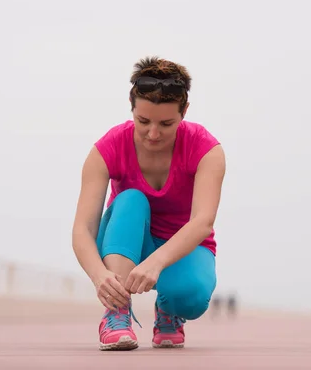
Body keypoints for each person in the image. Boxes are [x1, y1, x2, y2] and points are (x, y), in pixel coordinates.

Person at [71, 56, 226, 351]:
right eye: (143, 121)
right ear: (131, 107)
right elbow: (82, 227)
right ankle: (116, 313)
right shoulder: (107, 148)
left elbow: (202, 222)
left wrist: (156, 263)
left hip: (183, 246)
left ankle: (168, 309)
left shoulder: (207, 150)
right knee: (130, 199)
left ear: (185, 112)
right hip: (128, 241)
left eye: (166, 124)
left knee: (191, 299)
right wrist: (99, 276)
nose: (153, 134)